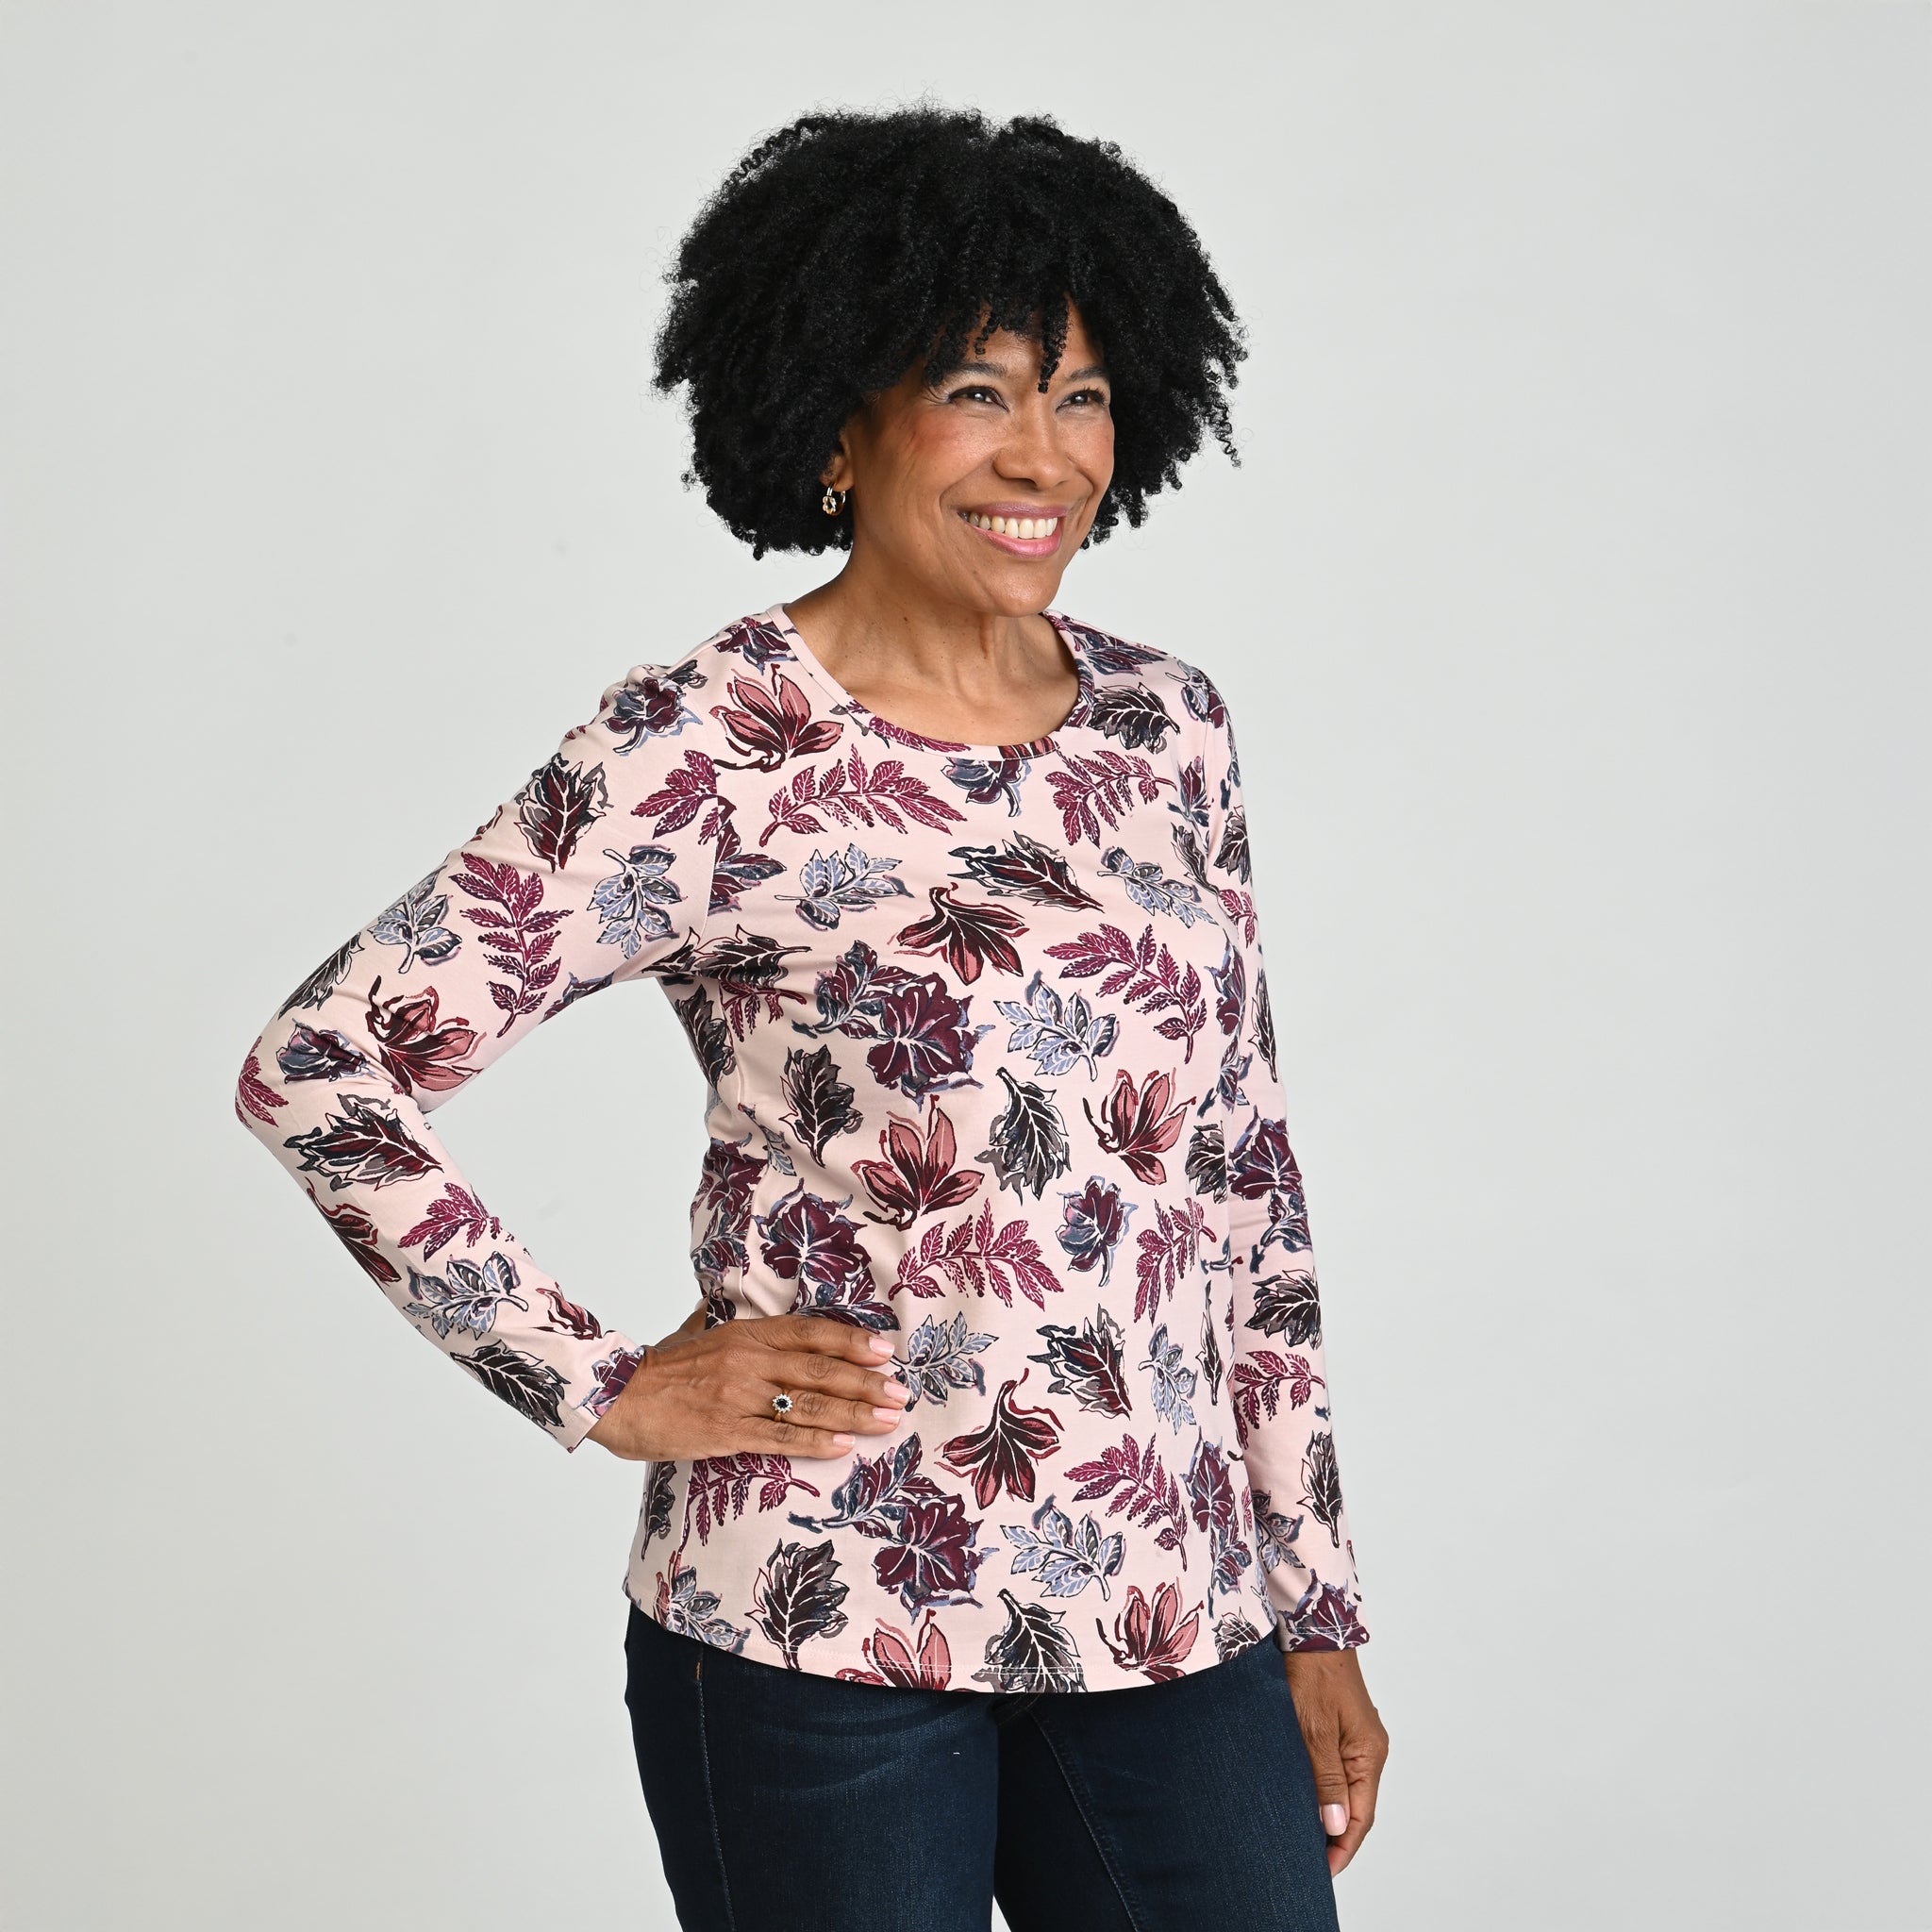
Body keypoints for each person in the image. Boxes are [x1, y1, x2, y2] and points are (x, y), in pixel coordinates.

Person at [234, 104, 1389, 1932]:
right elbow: (323, 1067)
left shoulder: (1166, 726)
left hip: (1174, 1614)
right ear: (839, 427)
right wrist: (600, 1380)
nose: (1043, 455)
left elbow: (1241, 1182)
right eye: (976, 391)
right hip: (822, 1617)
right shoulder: (708, 744)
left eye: (1083, 396)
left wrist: (1312, 1603)